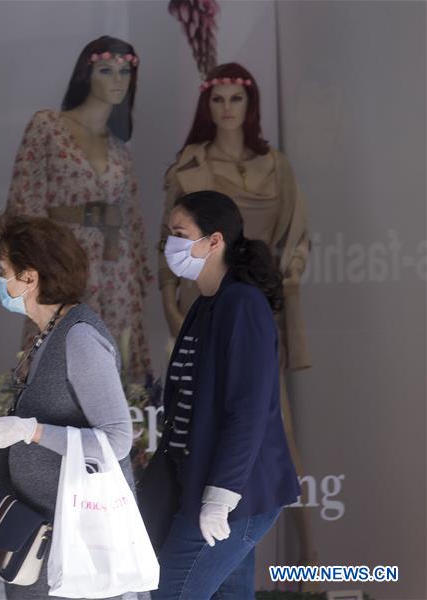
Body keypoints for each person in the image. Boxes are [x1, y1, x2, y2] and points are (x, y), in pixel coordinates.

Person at [156, 62, 314, 567]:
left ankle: (307, 561)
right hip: (203, 302)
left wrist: (282, 283)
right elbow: (168, 253)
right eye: (217, 99)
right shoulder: (189, 165)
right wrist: (174, 311)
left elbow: (299, 236)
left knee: (265, 421)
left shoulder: (276, 166)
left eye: (236, 99)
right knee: (203, 415)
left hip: (254, 300)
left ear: (251, 106)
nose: (227, 109)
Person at [0, 214, 145, 600]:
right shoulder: (48, 334)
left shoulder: (78, 337)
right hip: (40, 535)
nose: (1, 280)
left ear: (29, 278)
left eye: (4, 271)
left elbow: (116, 441)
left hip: (77, 542)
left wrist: (30, 431)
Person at [151, 190, 301, 599]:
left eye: (180, 233)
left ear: (214, 241)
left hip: (234, 496)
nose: (171, 244)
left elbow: (248, 412)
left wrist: (220, 497)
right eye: (169, 234)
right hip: (203, 488)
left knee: (170, 591)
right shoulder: (208, 304)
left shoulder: (242, 305)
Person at [5, 35, 152, 381]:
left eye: (124, 72)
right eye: (106, 70)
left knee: (118, 360)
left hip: (117, 272)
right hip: (65, 261)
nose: (117, 80)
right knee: (58, 357)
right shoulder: (48, 127)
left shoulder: (119, 148)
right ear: (87, 75)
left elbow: (132, 216)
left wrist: (142, 273)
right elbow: (25, 201)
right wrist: (34, 266)